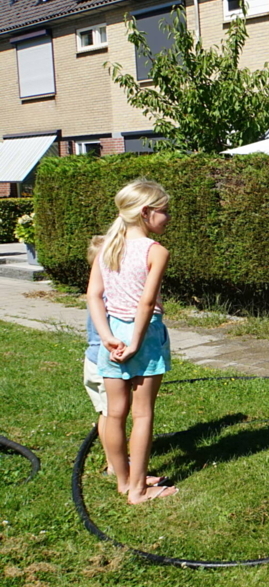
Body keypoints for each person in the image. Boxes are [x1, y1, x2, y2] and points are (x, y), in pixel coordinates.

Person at [86, 179, 177, 504]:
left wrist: (108, 337)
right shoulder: (156, 251)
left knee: (114, 412)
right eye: (164, 211)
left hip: (111, 337)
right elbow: (146, 303)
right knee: (142, 414)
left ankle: (124, 481)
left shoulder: (109, 246)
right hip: (144, 338)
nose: (167, 217)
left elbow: (94, 296)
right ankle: (139, 490)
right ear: (146, 212)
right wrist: (136, 342)